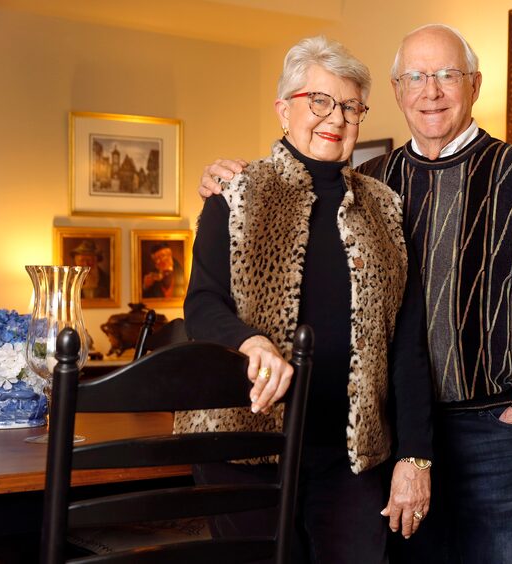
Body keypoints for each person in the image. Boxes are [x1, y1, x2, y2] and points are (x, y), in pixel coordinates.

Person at [197, 24, 512, 563]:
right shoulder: (379, 181)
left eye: (447, 75)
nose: (432, 91)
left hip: (489, 426)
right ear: (399, 92)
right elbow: (209, 296)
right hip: (370, 430)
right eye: (416, 77)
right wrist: (226, 183)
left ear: (473, 84)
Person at [181, 35, 434, 564]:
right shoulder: (236, 192)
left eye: (350, 106)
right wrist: (251, 343)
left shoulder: (384, 208)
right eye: (318, 101)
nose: (334, 118)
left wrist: (416, 454)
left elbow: (407, 344)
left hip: (351, 452)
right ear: (283, 109)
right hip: (241, 445)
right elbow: (202, 304)